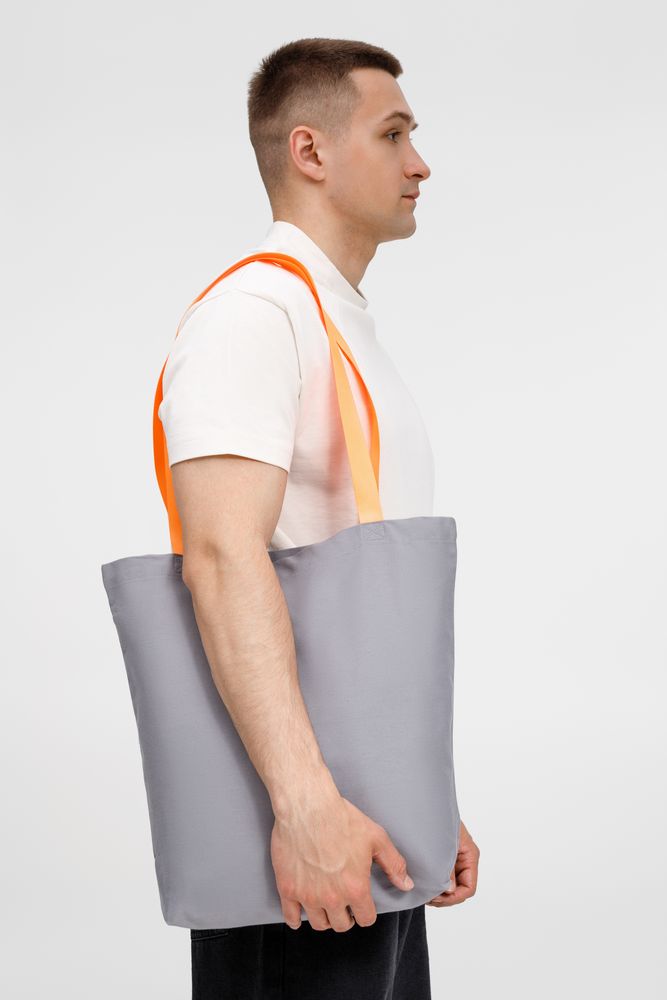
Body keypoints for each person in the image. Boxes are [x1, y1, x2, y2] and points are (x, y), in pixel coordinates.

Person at [158, 36, 480, 1000]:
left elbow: (358, 617)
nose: (419, 164)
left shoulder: (333, 321)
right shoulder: (255, 315)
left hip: (356, 823)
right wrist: (303, 809)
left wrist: (419, 795)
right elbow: (222, 558)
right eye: (393, 134)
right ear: (310, 151)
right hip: (300, 838)